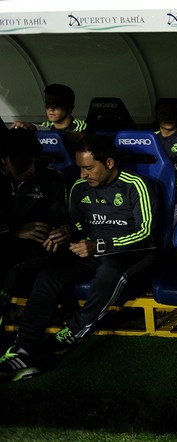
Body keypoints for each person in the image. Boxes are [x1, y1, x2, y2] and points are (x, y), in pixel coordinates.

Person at [0, 135, 158, 381]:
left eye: (88, 168)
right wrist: (67, 231)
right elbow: (77, 222)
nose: (83, 174)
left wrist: (100, 244)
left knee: (111, 272)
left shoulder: (136, 185)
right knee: (49, 274)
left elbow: (147, 234)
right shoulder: (79, 187)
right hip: (91, 249)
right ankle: (23, 347)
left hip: (128, 252)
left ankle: (73, 331)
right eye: (80, 168)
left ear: (108, 162)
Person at [0, 128, 72, 325]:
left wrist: (62, 232)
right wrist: (13, 230)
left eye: (36, 161)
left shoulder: (50, 178)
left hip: (37, 249)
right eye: (25, 162)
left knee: (7, 268)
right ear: (5, 158)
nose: (32, 169)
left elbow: (63, 217)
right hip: (5, 241)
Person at [11, 84, 89, 153]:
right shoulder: (44, 125)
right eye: (48, 103)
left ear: (70, 107)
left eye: (56, 104)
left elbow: (78, 136)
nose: (51, 108)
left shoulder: (82, 126)